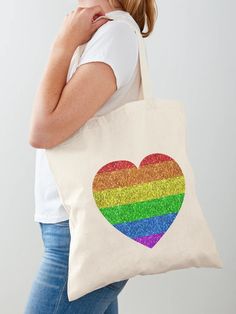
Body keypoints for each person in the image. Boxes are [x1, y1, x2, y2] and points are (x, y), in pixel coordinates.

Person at [24, 0, 157, 313]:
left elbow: (43, 131)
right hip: (74, 230)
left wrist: (63, 44)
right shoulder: (100, 33)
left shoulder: (115, 35)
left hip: (81, 238)